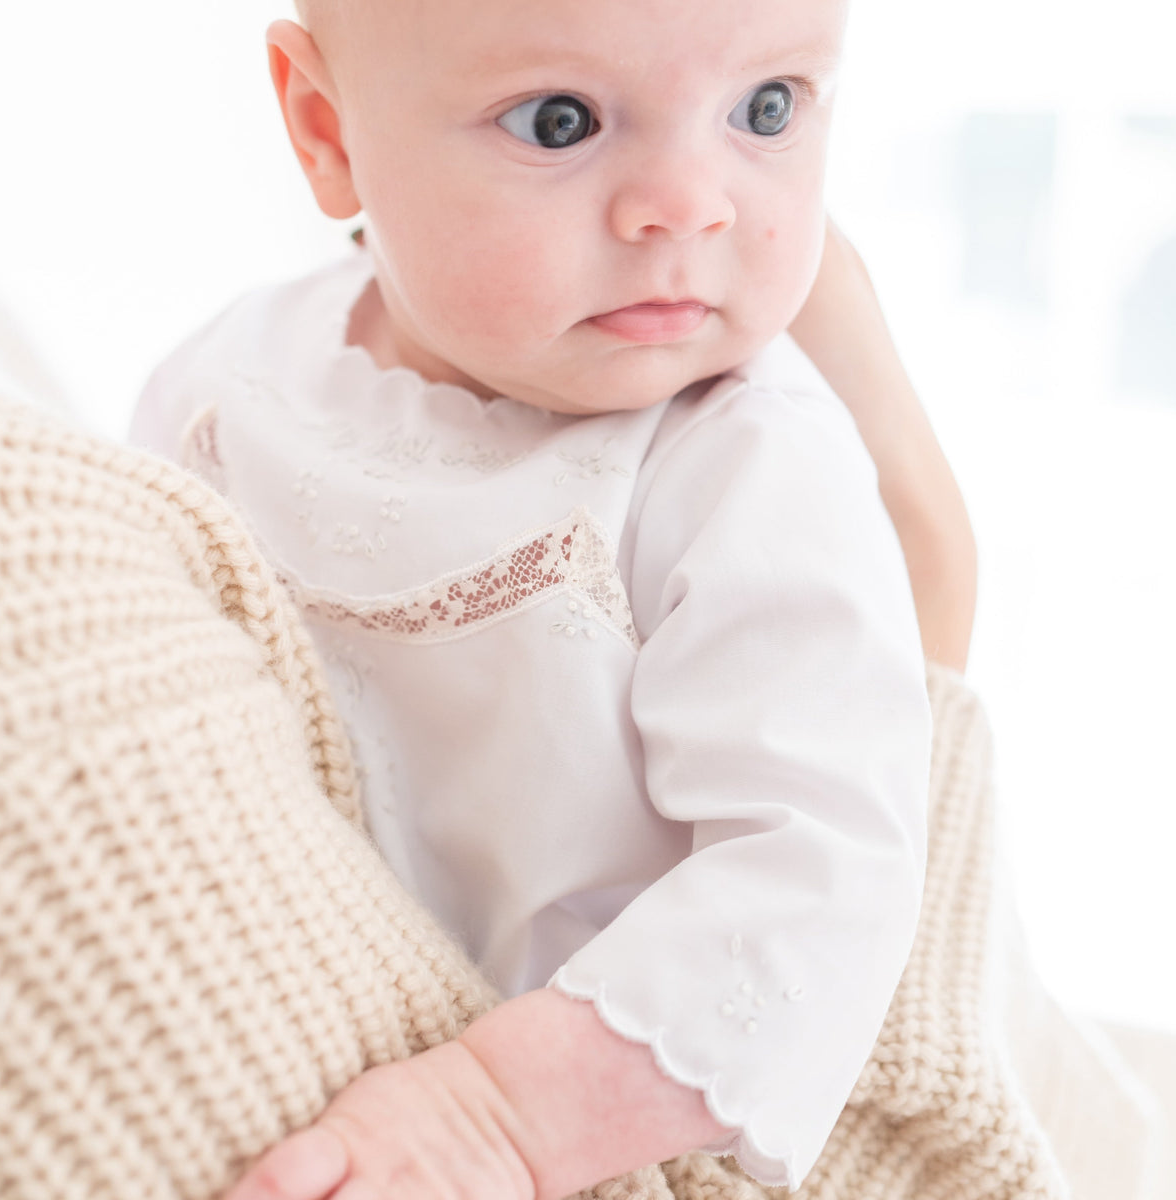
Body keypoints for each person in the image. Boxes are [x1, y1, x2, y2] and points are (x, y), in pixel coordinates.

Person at [129, 1, 973, 1196]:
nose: (690, 206)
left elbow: (820, 884)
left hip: (610, 1092)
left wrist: (502, 1117)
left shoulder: (749, 467)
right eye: (560, 122)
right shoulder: (236, 378)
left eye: (766, 108)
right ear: (326, 129)